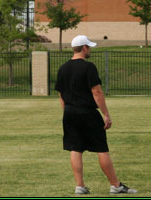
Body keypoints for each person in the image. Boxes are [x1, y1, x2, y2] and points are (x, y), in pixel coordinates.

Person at [54, 35, 137, 195]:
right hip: (87, 112)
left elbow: (61, 95)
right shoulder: (88, 67)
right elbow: (96, 92)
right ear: (84, 48)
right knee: (101, 149)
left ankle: (80, 186)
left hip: (70, 112)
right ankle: (115, 185)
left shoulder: (63, 68)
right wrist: (106, 114)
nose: (90, 50)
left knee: (75, 149)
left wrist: (67, 113)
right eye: (89, 47)